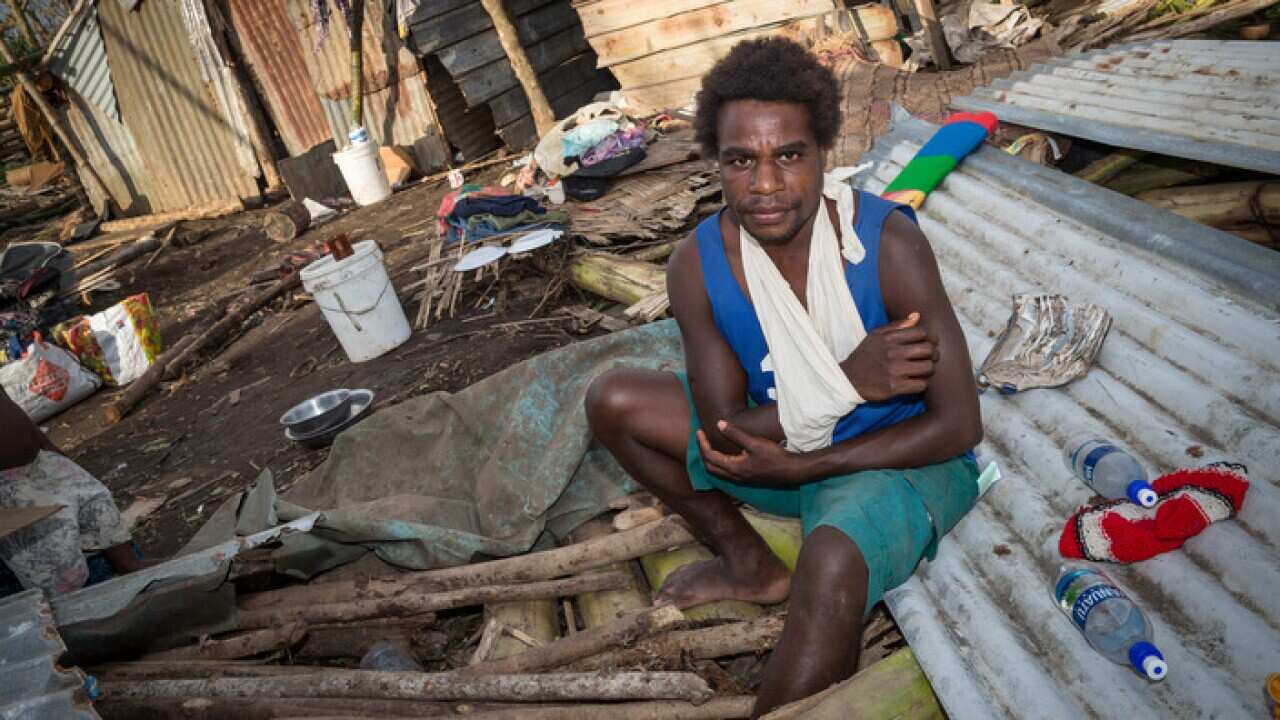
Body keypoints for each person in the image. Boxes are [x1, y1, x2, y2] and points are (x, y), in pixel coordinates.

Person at [585, 37, 982, 716]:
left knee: (827, 568)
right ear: (717, 162)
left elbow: (958, 426)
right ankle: (750, 564)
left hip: (897, 461)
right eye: (741, 160)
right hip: (771, 463)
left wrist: (809, 461)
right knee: (612, 398)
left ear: (823, 153)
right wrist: (849, 382)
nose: (764, 186)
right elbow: (724, 429)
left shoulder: (885, 246)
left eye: (788, 156)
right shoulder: (698, 265)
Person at [1, 388, 149, 596]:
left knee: (97, 504)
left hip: (43, 464)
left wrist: (50, 448)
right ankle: (80, 602)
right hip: (9, 493)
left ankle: (128, 564)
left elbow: (10, 407)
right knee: (53, 554)